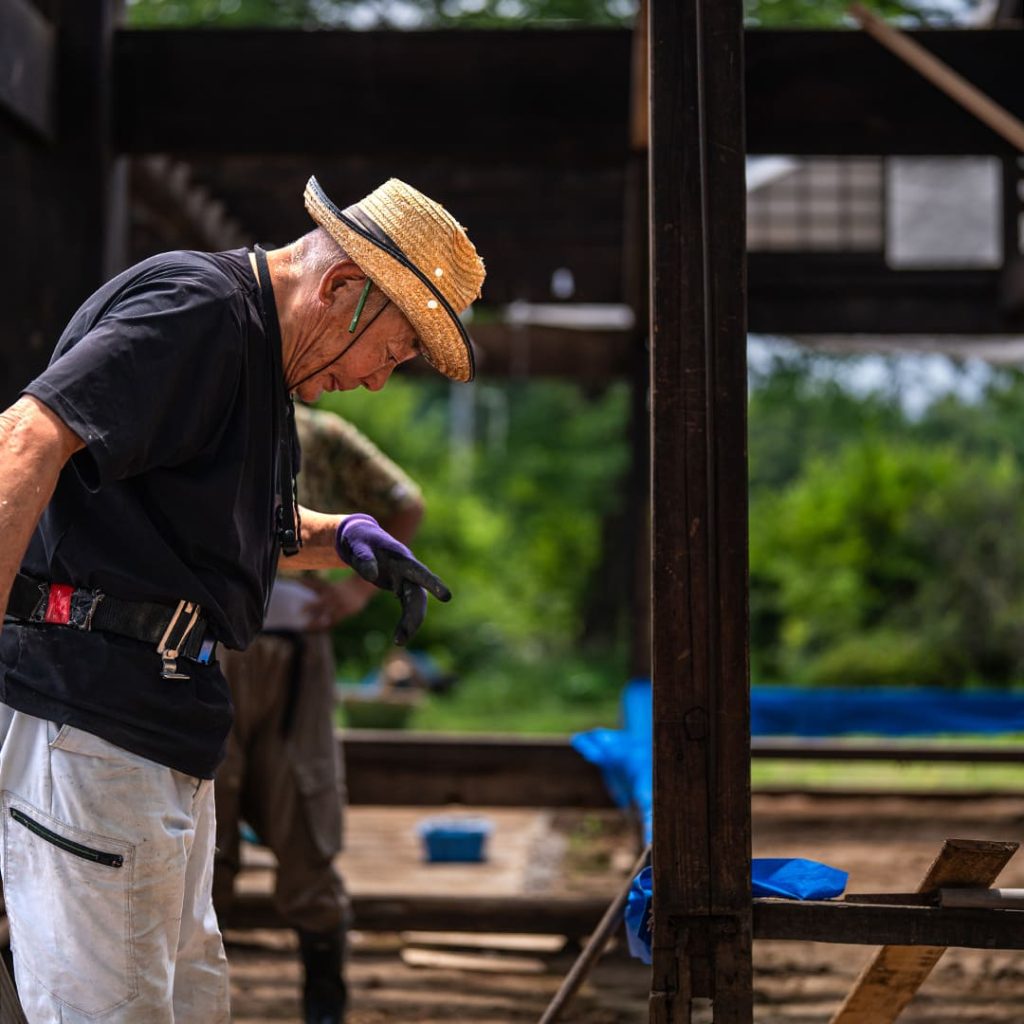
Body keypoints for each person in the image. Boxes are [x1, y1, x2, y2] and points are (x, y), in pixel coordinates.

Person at [0, 176, 484, 1023]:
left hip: (163, 727)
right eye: (395, 350)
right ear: (341, 290)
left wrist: (342, 538)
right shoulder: (200, 312)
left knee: (188, 1004)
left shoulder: (258, 348)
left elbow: (202, 520)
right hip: (94, 722)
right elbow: (28, 436)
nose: (379, 382)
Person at [214, 405, 424, 1024]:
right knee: (202, 827)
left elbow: (404, 501)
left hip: (299, 654)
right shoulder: (205, 415)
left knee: (308, 815)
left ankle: (325, 1008)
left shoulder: (321, 433)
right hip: (209, 650)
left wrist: (356, 591)